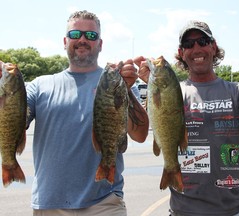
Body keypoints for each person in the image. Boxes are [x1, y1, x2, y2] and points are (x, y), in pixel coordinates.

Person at [1, 10, 149, 216]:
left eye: (90, 35)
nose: (82, 40)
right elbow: (12, 122)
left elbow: (140, 135)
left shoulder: (117, 82)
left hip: (104, 203)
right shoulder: (39, 86)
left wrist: (126, 91)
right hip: (49, 204)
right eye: (74, 34)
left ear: (100, 43)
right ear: (65, 41)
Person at [136, 20, 239, 216]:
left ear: (213, 46)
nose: (196, 48)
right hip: (182, 211)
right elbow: (145, 125)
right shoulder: (172, 93)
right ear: (182, 53)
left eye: (202, 41)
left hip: (235, 210)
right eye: (189, 45)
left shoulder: (237, 91)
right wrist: (152, 83)